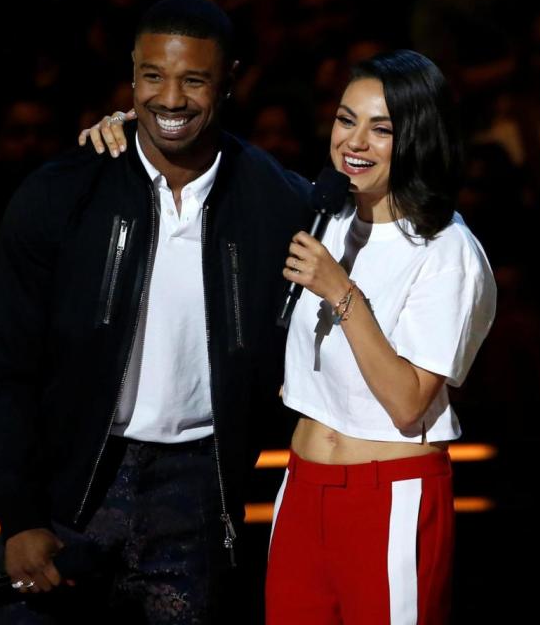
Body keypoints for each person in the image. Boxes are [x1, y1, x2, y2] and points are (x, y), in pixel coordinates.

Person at [83, 50, 496, 625]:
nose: (355, 141)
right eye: (346, 120)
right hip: (301, 488)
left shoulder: (447, 249)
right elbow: (228, 168)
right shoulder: (324, 209)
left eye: (382, 129)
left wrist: (340, 290)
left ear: (419, 137)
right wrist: (145, 131)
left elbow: (407, 403)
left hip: (390, 493)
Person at [0, 0, 310, 624]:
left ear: (229, 80)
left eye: (194, 79)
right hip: (69, 494)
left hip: (198, 500)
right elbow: (4, 365)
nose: (171, 99)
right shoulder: (63, 193)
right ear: (131, 76)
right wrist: (17, 516)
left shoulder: (278, 204)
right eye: (153, 76)